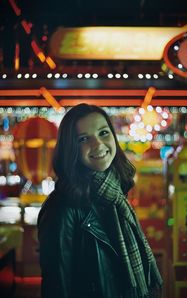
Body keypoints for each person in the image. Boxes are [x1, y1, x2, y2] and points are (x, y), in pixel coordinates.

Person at [37, 103, 163, 298]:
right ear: (71, 148)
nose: (97, 145)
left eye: (103, 133)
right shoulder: (61, 208)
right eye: (84, 139)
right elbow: (57, 287)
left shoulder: (114, 194)